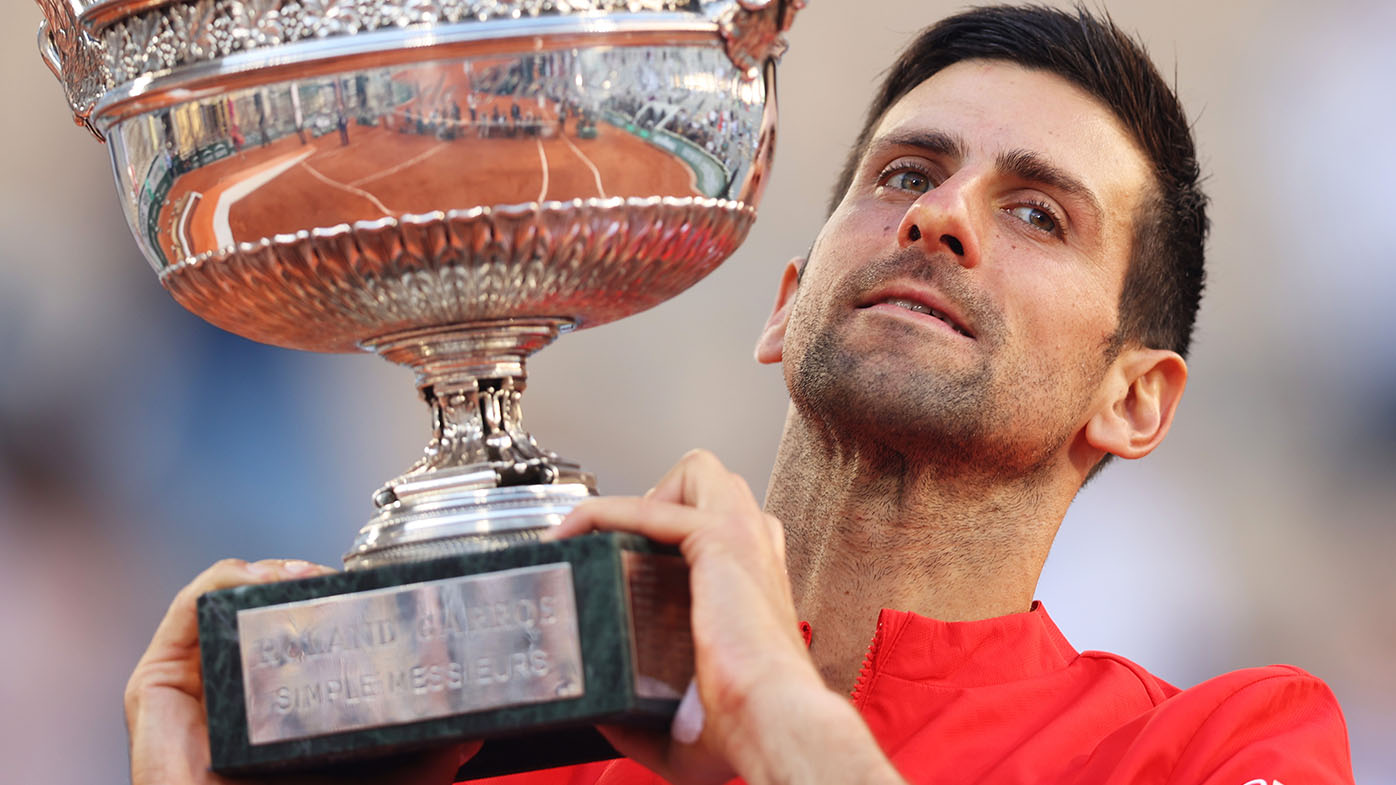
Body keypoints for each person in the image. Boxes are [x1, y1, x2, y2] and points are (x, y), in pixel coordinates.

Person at [123, 6, 1355, 785]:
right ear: (786, 301)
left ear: (1135, 399)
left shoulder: (1219, 747)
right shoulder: (522, 744)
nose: (937, 217)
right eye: (905, 171)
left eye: (1037, 212)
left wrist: (771, 709)